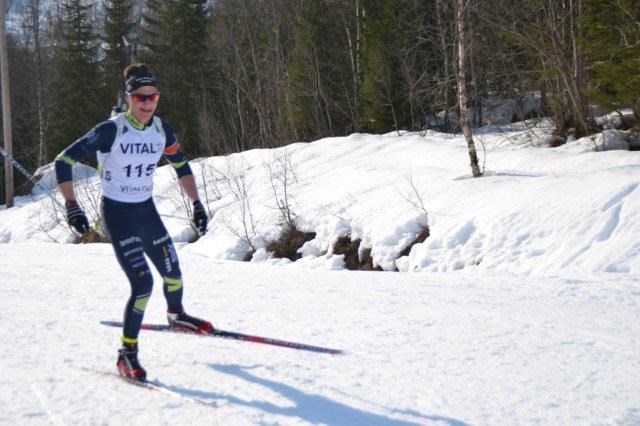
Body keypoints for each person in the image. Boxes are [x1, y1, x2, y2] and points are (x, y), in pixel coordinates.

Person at [55, 63, 212, 380]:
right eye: (140, 97)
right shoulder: (111, 130)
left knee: (173, 272)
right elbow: (64, 160)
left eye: (152, 96)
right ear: (129, 98)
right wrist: (72, 205)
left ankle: (176, 315)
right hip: (117, 214)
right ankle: (127, 354)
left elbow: (181, 166)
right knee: (143, 285)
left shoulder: (161, 130)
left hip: (145, 211)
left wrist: (196, 203)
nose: (146, 102)